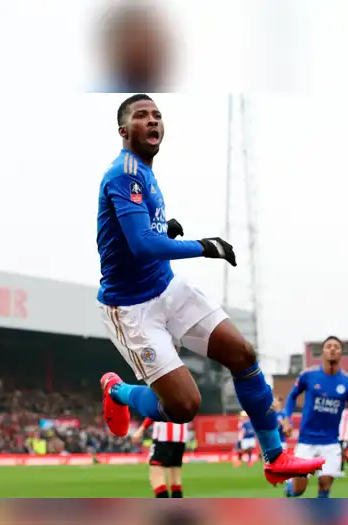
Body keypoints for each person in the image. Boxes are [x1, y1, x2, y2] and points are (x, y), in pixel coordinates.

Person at [96, 94, 324, 487]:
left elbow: (139, 238)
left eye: (157, 115)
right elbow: (141, 246)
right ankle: (118, 392)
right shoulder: (123, 174)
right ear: (123, 130)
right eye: (141, 116)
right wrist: (203, 246)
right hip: (132, 308)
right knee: (184, 406)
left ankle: (274, 457)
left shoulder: (145, 172)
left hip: (166, 286)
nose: (152, 121)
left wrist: (165, 231)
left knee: (242, 353)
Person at [282, 337, 348, 498]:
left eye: (336, 347)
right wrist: (286, 419)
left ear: (341, 353)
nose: (332, 349)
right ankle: (290, 487)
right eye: (328, 346)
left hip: (331, 443)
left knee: (325, 484)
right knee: (298, 490)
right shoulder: (308, 375)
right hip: (306, 441)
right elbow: (292, 397)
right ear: (323, 352)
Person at [133, 418, 187, 498]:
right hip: (180, 439)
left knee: (156, 476)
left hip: (163, 438)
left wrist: (141, 429)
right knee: (175, 480)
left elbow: (154, 412)